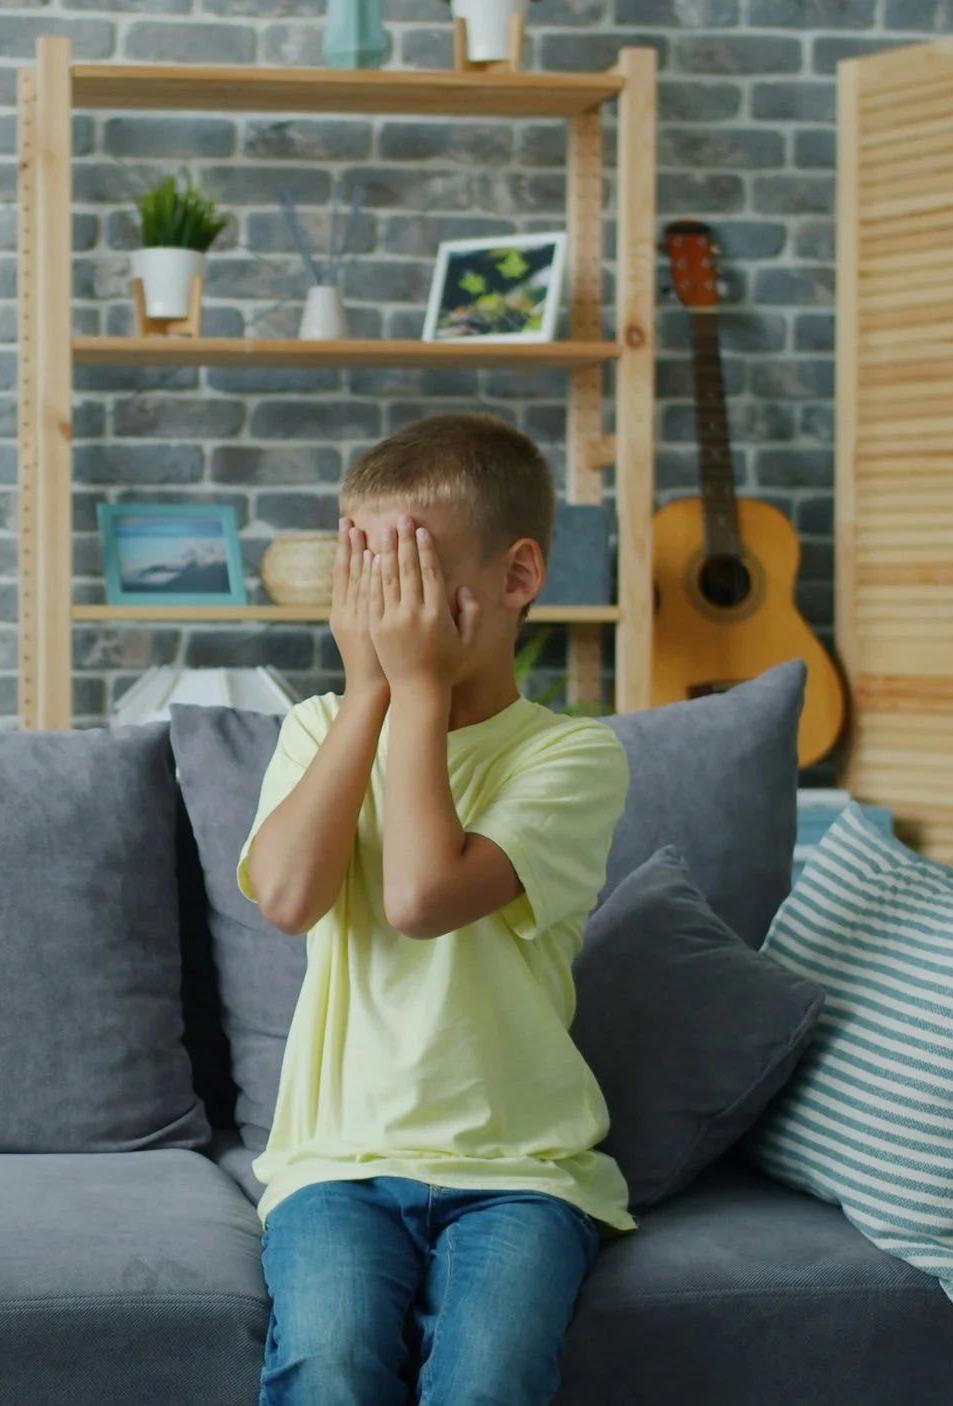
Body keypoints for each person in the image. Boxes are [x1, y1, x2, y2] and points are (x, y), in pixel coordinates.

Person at [241, 413, 631, 1406]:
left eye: (411, 572)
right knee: (326, 1365)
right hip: (336, 1160)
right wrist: (369, 694)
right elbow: (287, 896)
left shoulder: (567, 756)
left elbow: (421, 895)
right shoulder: (319, 728)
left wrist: (411, 687)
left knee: (489, 1379)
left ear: (516, 575)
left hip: (521, 1168)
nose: (384, 606)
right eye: (363, 569)